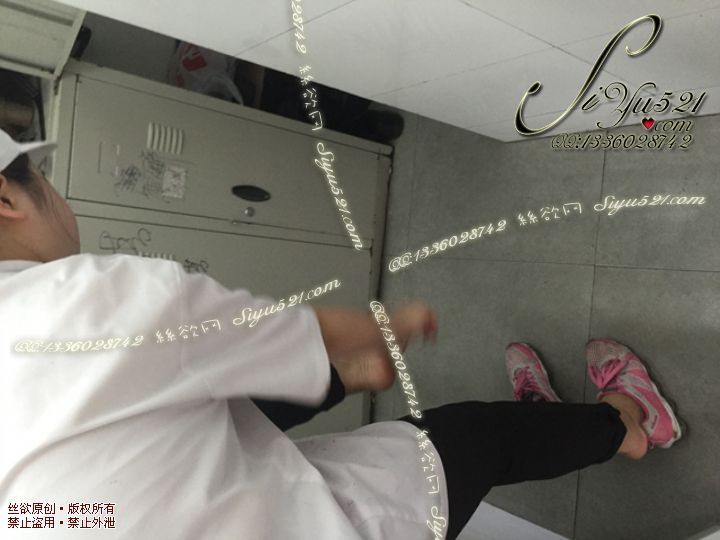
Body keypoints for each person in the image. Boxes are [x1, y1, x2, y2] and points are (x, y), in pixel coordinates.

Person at [0, 128, 682, 539]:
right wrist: (390, 326)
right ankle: (626, 424)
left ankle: (362, 382)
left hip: (190, 508)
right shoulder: (80, 299)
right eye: (44, 180)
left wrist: (349, 371)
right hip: (310, 525)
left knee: (191, 406)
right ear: (7, 200)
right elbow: (316, 332)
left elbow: (134, 437)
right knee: (482, 438)